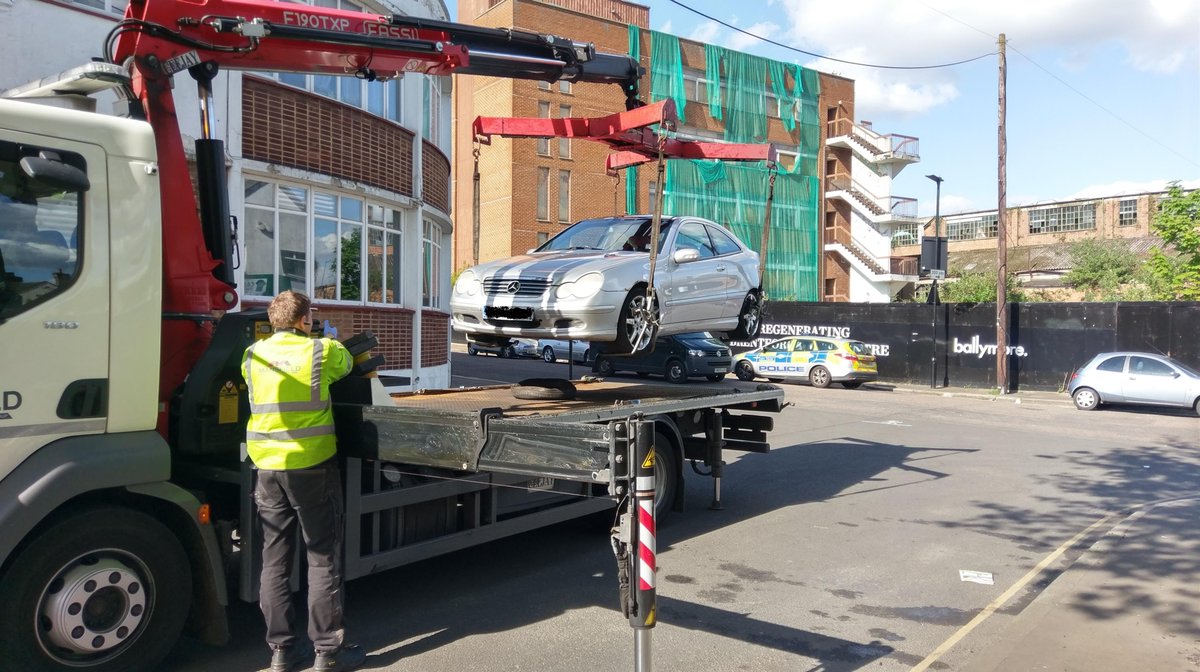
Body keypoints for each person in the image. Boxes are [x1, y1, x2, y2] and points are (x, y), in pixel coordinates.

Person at [241, 290, 365, 672]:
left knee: (274, 560)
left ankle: (280, 651)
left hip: (266, 468)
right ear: (304, 319)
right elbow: (347, 365)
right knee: (322, 557)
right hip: (311, 465)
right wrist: (324, 336)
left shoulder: (252, 355)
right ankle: (327, 652)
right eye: (310, 317)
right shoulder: (321, 351)